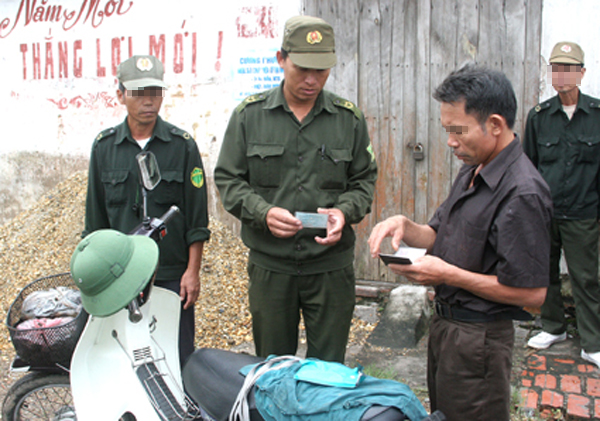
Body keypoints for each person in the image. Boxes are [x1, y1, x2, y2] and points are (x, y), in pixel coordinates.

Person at [368, 65, 552, 421]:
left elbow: (533, 296)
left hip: (479, 341)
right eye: (446, 130)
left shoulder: (523, 192)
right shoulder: (473, 167)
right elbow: (438, 235)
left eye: (458, 130)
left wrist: (448, 275)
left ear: (495, 125)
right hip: (447, 331)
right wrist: (405, 226)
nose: (450, 141)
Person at [214, 16, 377, 363]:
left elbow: (364, 182)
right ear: (280, 58)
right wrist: (263, 212)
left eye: (321, 70)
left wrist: (343, 212)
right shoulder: (249, 116)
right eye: (302, 68)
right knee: (273, 368)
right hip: (272, 268)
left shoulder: (348, 120)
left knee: (328, 371)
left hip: (330, 269)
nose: (311, 79)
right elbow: (229, 179)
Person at [83, 54, 210, 367]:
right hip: (120, 277)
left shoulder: (182, 146)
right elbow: (95, 220)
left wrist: (192, 272)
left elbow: (196, 218)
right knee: (123, 357)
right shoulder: (104, 147)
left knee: (176, 355)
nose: (148, 101)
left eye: (155, 92)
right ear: (121, 95)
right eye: (139, 93)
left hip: (170, 275)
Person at [523, 41, 600, 368]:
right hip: (546, 213)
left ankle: (592, 342)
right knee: (546, 272)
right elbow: (528, 167)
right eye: (556, 68)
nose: (562, 75)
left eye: (569, 68)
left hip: (584, 213)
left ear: (581, 73)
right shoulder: (540, 117)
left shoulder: (597, 115)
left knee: (586, 278)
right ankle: (553, 327)